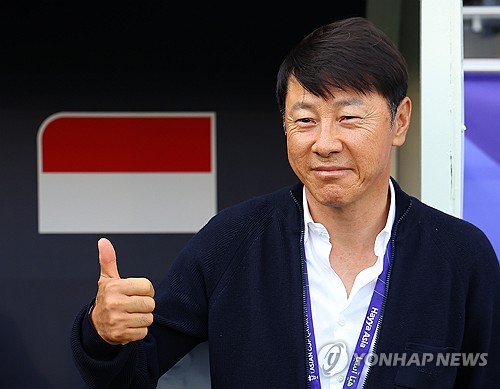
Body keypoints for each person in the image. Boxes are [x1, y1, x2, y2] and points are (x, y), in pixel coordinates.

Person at [71, 16, 500, 388]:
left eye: (349, 118)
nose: (325, 143)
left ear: (399, 121)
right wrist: (103, 333)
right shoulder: (232, 241)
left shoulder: (461, 257)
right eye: (305, 120)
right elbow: (132, 373)